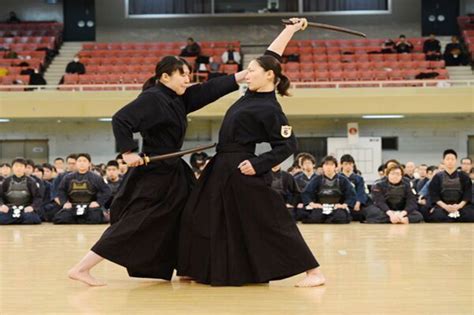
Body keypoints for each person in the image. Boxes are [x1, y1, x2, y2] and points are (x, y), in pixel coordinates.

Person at [68, 54, 248, 286]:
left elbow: (209, 89)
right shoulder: (153, 98)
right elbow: (121, 119)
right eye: (182, 75)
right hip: (154, 172)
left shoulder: (178, 98)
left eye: (188, 75)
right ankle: (82, 268)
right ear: (165, 77)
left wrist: (242, 76)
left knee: (192, 213)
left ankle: (187, 267)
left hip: (174, 171)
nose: (187, 80)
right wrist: (128, 152)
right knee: (136, 223)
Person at [178, 18, 325, 288]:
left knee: (270, 219)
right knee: (200, 214)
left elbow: (288, 145)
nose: (248, 74)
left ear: (269, 76)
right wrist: (290, 30)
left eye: (253, 70)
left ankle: (313, 272)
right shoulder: (251, 94)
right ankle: (197, 267)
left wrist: (259, 165)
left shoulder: (270, 109)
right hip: (221, 166)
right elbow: (272, 56)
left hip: (242, 167)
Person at [53, 153, 111, 224]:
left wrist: (98, 202)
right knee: (60, 218)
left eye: (84, 161)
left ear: (89, 163)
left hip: (90, 207)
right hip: (73, 206)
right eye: (79, 161)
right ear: (76, 163)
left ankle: (79, 219)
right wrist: (65, 203)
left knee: (96, 218)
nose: (82, 163)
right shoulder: (68, 178)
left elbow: (107, 191)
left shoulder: (96, 178)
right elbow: (61, 191)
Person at [301, 156, 356, 224]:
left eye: (331, 164)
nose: (328, 167)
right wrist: (312, 204)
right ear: (322, 167)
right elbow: (306, 193)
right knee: (315, 218)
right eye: (326, 164)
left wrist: (344, 205)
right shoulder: (317, 179)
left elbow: (351, 194)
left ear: (335, 167)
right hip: (321, 207)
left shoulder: (343, 180)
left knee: (340, 218)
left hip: (337, 207)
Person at [425, 149, 474, 222]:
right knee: (436, 215)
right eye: (448, 159)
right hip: (443, 207)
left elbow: (467, 194)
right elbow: (434, 195)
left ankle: (452, 217)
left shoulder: (464, 176)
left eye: (452, 159)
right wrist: (445, 207)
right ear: (444, 161)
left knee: (470, 215)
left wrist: (458, 206)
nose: (450, 161)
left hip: (460, 206)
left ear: (456, 161)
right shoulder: (437, 177)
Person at [0, 158, 42, 225]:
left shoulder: (31, 181)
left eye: (21, 166)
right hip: (10, 209)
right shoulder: (6, 181)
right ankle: (18, 219)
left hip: (25, 209)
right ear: (12, 168)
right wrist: (1, 205)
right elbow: (0, 196)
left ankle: (15, 219)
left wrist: (32, 207)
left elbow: (38, 198)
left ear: (25, 168)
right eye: (16, 166)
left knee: (32, 219)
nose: (18, 168)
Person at [339, 154, 370, 222]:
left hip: (355, 205)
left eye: (350, 164)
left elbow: (361, 192)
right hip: (342, 204)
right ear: (341, 165)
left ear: (353, 164)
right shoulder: (338, 178)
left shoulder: (359, 178)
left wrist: (358, 203)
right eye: (345, 164)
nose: (348, 166)